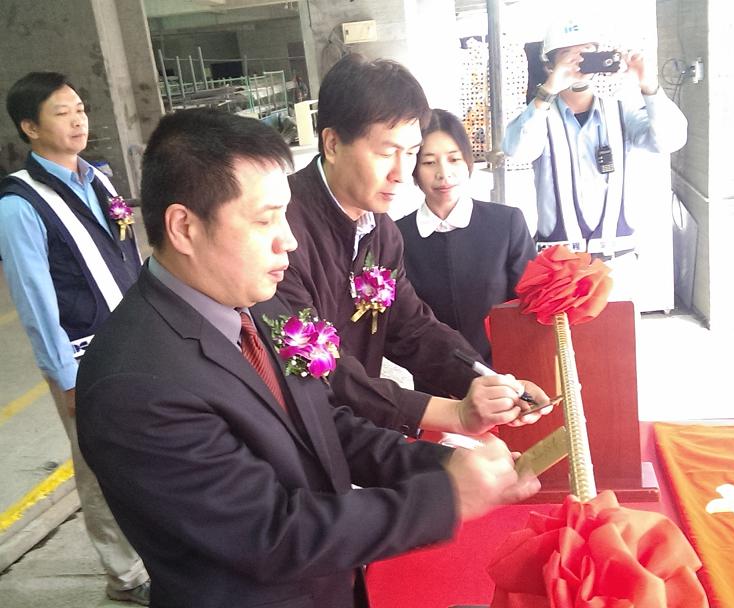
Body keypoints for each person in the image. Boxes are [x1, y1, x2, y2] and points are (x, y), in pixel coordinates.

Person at [75, 108, 541, 608]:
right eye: (265, 220)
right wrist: (444, 499)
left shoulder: (257, 305)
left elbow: (325, 425)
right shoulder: (136, 383)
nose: (289, 240)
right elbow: (268, 534)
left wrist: (446, 463)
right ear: (184, 227)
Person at [279, 54, 549, 439]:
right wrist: (453, 414)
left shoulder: (382, 232)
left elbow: (411, 327)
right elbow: (316, 364)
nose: (402, 174)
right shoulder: (280, 231)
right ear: (333, 143)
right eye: (386, 152)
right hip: (297, 435)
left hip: (353, 432)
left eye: (410, 153)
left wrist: (484, 380)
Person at [0, 72, 149, 604]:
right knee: (99, 464)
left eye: (80, 108)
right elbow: (35, 300)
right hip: (85, 357)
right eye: (61, 112)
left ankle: (159, 548)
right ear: (29, 127)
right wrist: (65, 380)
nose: (78, 119)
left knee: (151, 451)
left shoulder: (99, 178)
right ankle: (126, 575)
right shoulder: (20, 205)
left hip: (135, 340)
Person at [503, 15, 688, 301]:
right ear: (549, 65)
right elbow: (517, 149)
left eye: (588, 55)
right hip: (558, 266)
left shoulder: (622, 112)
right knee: (560, 333)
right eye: (569, 56)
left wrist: (649, 85)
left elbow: (670, 140)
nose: (580, 64)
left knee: (618, 331)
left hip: (617, 264)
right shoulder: (539, 116)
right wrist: (547, 91)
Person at [396, 109, 536, 393]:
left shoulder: (506, 223)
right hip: (435, 391)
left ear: (468, 161)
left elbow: (527, 308)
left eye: (454, 159)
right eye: (429, 162)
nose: (443, 173)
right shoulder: (397, 237)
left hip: (504, 384)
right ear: (414, 169)